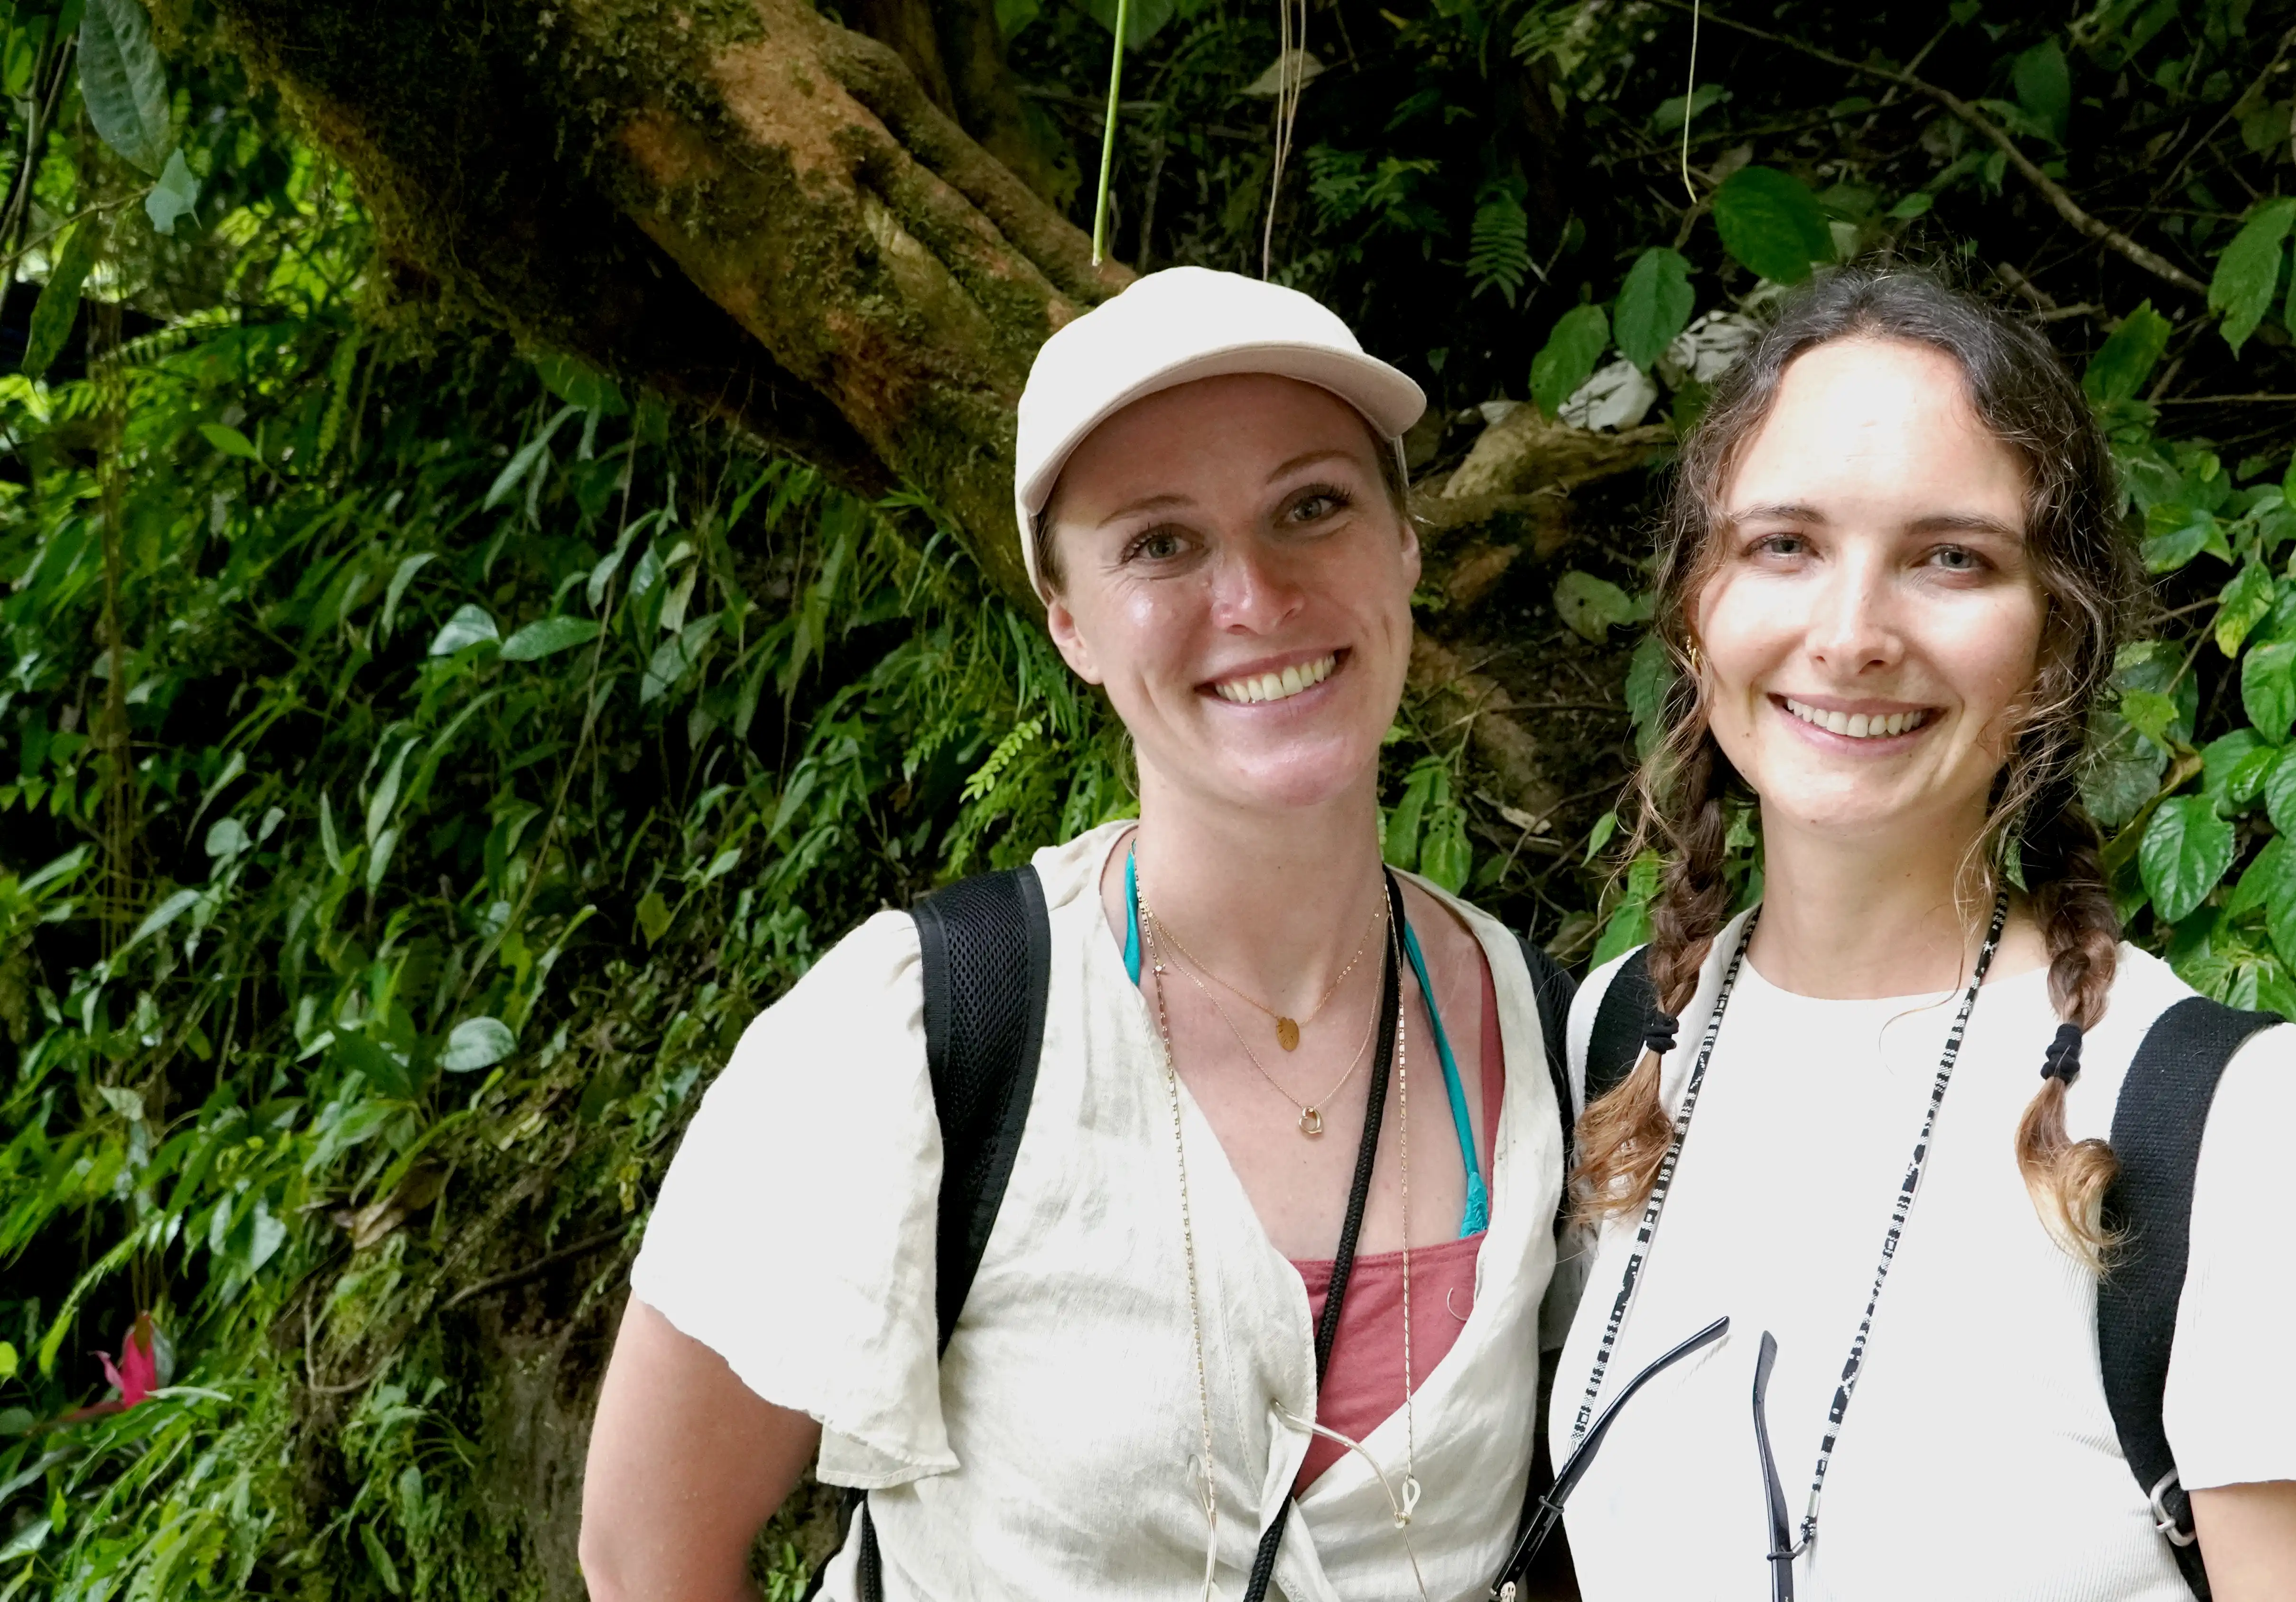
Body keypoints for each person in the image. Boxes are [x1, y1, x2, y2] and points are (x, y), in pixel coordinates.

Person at [577, 267, 1573, 1602]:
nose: (1259, 596)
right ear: (1071, 625)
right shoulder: (927, 1027)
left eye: (1314, 506)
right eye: (1161, 544)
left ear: (1404, 545)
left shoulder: (1549, 1035)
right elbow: (650, 1555)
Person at [1548, 269, 2296, 1601]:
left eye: (1951, 557)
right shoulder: (1618, 1042)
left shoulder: (2228, 1124)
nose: (1854, 634)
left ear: (2056, 641)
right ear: (1696, 608)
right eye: (1784, 544)